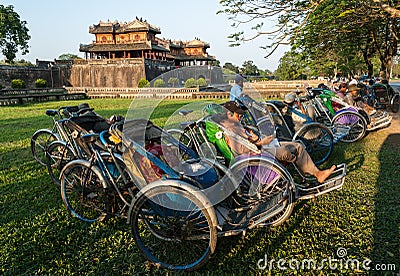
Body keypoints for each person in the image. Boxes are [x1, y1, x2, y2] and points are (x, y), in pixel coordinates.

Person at [218, 101, 336, 183]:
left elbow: (248, 141)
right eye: (238, 114)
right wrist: (261, 143)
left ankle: (315, 173)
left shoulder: (236, 125)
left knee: (298, 146)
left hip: (262, 147)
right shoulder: (230, 130)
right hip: (257, 153)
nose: (240, 116)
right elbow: (242, 150)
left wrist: (255, 138)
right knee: (287, 152)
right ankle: (306, 172)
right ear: (229, 114)